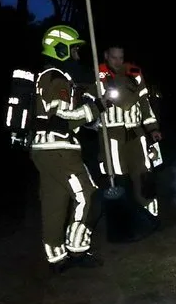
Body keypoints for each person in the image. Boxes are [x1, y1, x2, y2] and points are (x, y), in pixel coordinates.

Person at [30, 25, 110, 273]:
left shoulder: (45, 76)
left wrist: (88, 96)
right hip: (60, 149)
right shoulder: (57, 79)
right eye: (74, 48)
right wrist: (95, 106)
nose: (77, 52)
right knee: (88, 194)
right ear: (61, 48)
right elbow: (64, 117)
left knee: (55, 200)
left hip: (42, 149)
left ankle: (56, 258)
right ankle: (77, 249)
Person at [97, 45, 163, 240]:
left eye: (121, 57)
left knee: (144, 178)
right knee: (118, 181)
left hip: (136, 134)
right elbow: (92, 106)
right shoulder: (98, 75)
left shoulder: (135, 74)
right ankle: (123, 227)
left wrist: (153, 129)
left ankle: (151, 219)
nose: (118, 61)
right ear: (106, 56)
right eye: (114, 57)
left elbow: (145, 104)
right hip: (113, 137)